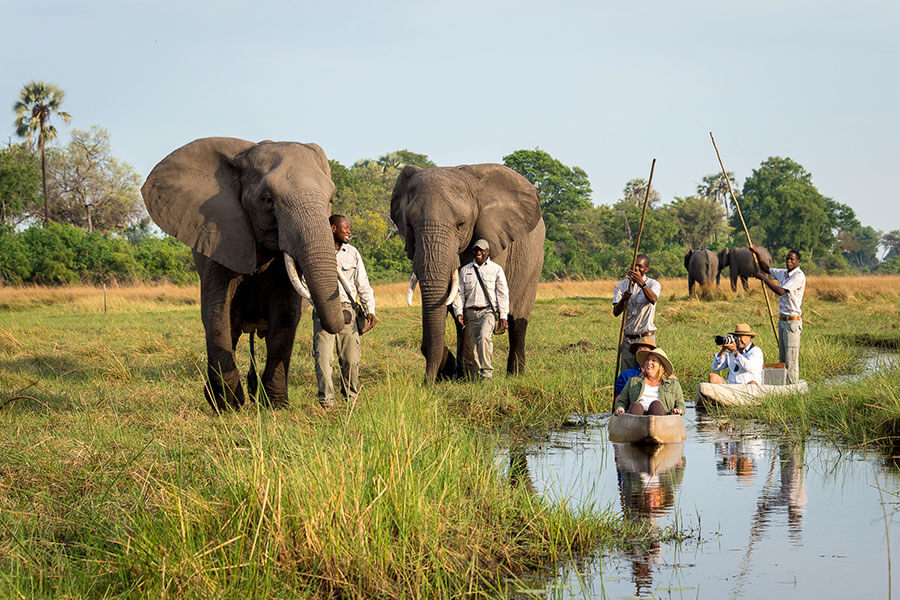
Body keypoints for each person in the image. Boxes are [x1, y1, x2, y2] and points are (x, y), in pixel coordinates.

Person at [310, 215, 377, 408]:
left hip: (348, 311)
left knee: (351, 359)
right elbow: (306, 284)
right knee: (323, 359)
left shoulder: (352, 253)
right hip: (323, 312)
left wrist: (370, 309)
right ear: (332, 228)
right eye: (345, 227)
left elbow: (362, 283)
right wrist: (316, 304)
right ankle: (326, 402)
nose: (349, 231)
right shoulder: (316, 253)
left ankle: (351, 401)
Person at [451, 238, 509, 380]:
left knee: (484, 338)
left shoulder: (496, 270)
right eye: (476, 249)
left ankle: (487, 374)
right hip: (470, 313)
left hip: (488, 311)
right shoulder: (465, 271)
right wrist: (458, 312)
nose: (478, 252)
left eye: (481, 250)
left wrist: (503, 316)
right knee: (473, 347)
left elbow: (502, 293)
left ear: (487, 252)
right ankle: (479, 373)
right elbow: (460, 293)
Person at [750, 246, 806, 384]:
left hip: (792, 322)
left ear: (797, 261)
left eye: (792, 259)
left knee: (791, 359)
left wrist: (764, 279)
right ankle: (783, 385)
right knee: (783, 358)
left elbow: (781, 291)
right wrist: (757, 253)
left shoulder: (798, 276)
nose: (789, 261)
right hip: (782, 321)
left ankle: (793, 386)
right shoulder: (783, 273)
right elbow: (766, 269)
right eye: (787, 258)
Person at [612, 254, 661, 370]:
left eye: (641, 267)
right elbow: (615, 312)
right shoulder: (622, 285)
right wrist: (624, 299)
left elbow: (653, 299)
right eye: (635, 266)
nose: (637, 269)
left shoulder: (653, 284)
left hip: (645, 338)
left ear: (647, 269)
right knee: (626, 373)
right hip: (628, 338)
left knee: (646, 372)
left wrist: (641, 283)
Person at [614, 348, 684, 416]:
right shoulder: (633, 381)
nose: (649, 362)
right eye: (648, 360)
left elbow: (680, 405)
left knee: (656, 405)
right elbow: (622, 402)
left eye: (653, 360)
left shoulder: (673, 384)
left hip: (662, 418)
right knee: (636, 406)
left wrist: (678, 410)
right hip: (636, 417)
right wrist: (620, 408)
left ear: (661, 366)